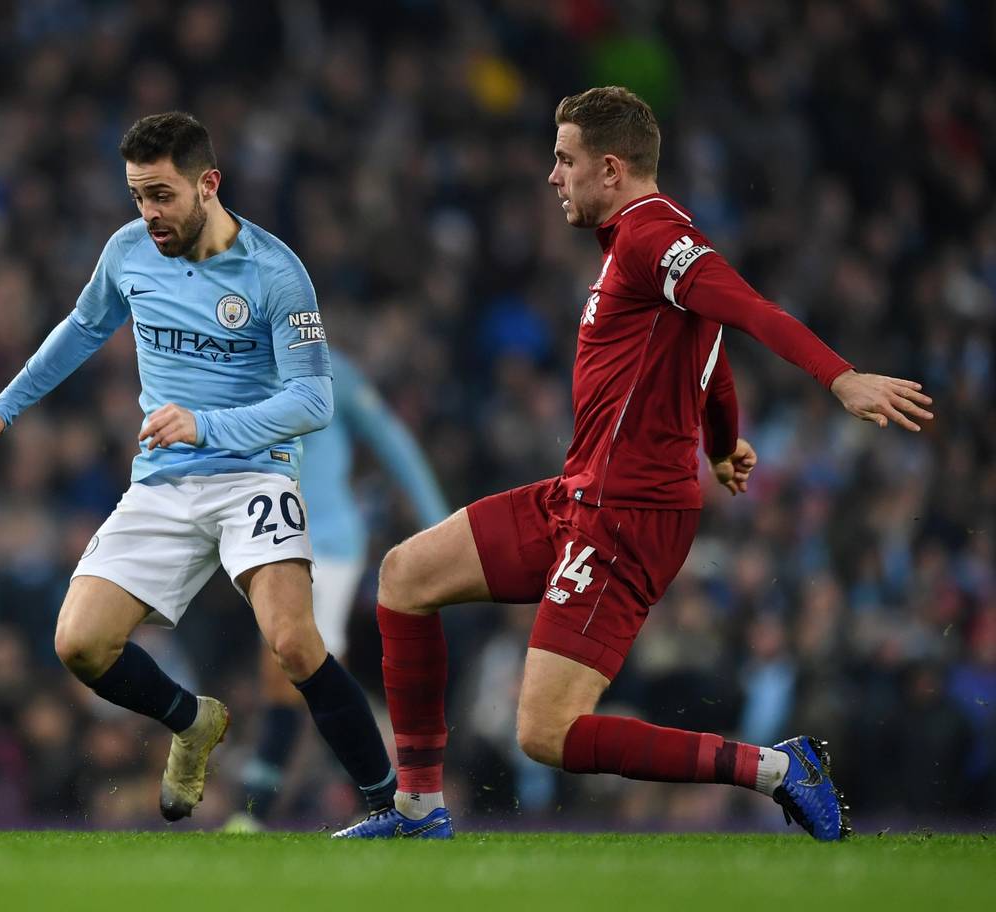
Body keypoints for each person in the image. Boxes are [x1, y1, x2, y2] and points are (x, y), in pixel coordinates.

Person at [336, 86, 934, 840]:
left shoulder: (656, 238)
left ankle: (778, 769)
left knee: (546, 732)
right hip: (579, 496)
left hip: (627, 518)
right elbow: (708, 350)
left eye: (565, 160)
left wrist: (838, 376)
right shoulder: (634, 245)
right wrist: (722, 443)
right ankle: (419, 810)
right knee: (404, 576)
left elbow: (746, 307)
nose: (553, 176)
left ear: (611, 169)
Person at [0, 112, 397, 825]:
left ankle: (392, 806)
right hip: (163, 479)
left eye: (161, 194)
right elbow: (83, 328)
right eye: (137, 195)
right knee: (80, 644)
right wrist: (3, 410)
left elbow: (313, 400)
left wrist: (206, 423)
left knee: (293, 643)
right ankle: (193, 722)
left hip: (254, 475)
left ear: (208, 184)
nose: (149, 213)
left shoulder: (276, 271)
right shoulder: (128, 251)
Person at [230, 349, 450, 828]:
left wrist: (441, 527)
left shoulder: (331, 370)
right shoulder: (235, 364)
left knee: (289, 664)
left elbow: (393, 443)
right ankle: (391, 784)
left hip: (325, 540)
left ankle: (256, 811)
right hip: (267, 538)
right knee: (311, 670)